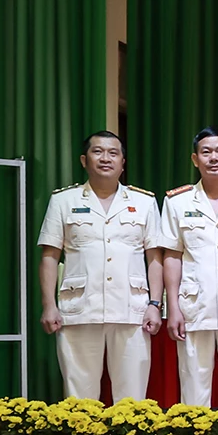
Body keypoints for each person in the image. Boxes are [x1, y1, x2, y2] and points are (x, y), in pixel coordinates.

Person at [37, 131, 162, 400]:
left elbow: (154, 258)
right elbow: (50, 255)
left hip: (132, 309)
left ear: (123, 163)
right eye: (98, 152)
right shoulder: (63, 201)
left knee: (132, 399)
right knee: (79, 397)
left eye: (113, 153)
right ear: (84, 160)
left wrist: (155, 304)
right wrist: (49, 305)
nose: (105, 158)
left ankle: (129, 433)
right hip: (80, 308)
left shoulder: (144, 202)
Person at [157, 127, 218, 406]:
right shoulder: (177, 202)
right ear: (195, 159)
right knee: (193, 388)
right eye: (206, 152)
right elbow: (172, 256)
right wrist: (172, 306)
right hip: (194, 306)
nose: (214, 158)